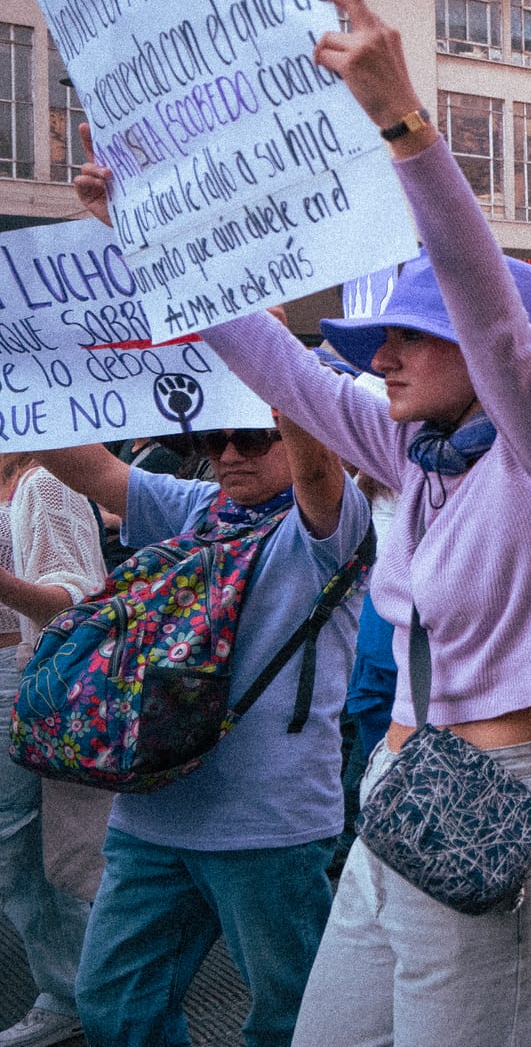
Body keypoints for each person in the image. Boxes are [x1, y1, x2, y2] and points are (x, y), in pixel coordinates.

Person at [86, 0, 531, 1043]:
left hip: (502, 810)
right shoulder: (410, 452)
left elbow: (490, 317)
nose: (379, 358)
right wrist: (149, 231)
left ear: (476, 347)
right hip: (396, 789)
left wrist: (402, 122)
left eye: (408, 337)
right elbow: (275, 359)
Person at [31, 411, 369, 1047]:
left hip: (269, 821)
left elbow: (318, 468)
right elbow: (93, 468)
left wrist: (277, 377)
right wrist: (26, 392)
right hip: (153, 810)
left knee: (294, 1020)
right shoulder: (196, 508)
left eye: (254, 437)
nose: (230, 454)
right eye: (215, 440)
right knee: (113, 1003)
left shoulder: (327, 525)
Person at [0, 454, 105, 1047]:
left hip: (23, 673)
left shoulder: (47, 479)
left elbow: (78, 601)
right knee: (23, 842)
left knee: (31, 841)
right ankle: (77, 986)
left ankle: (78, 990)